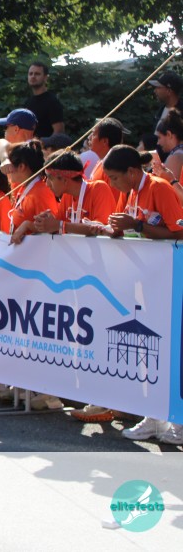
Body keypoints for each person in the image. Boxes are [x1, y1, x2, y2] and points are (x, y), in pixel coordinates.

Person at [96, 145, 183, 446]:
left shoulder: (158, 188)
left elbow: (179, 233)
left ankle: (178, 420)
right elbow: (127, 229)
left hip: (170, 281)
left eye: (114, 177)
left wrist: (136, 225)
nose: (112, 183)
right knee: (148, 350)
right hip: (145, 282)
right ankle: (153, 416)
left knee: (171, 350)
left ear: (132, 172)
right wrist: (113, 230)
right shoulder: (130, 192)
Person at [33, 151, 116, 237]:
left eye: (50, 178)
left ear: (64, 180)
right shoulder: (66, 196)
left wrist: (59, 225)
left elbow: (100, 229)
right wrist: (45, 223)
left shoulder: (99, 188)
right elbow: (58, 228)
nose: (47, 184)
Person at [7, 141, 61, 245]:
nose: (8, 170)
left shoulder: (41, 192)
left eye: (10, 165)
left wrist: (28, 225)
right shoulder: (23, 187)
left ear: (21, 167)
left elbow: (51, 230)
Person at [24, 61, 65, 137]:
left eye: (37, 74)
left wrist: (45, 143)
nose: (33, 76)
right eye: (30, 74)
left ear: (45, 78)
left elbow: (59, 132)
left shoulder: (52, 102)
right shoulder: (28, 102)